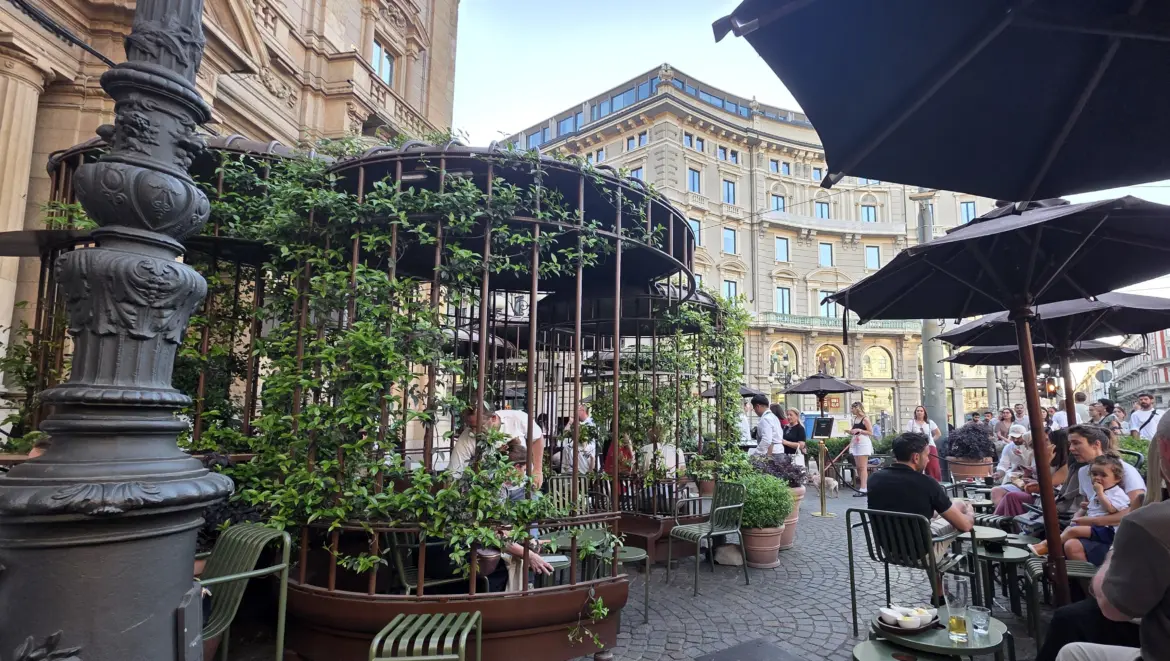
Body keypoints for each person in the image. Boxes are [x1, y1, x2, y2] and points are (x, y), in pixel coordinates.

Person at [1050, 414, 1170, 661]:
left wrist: (1115, 540)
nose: (1070, 449)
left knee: (1072, 638)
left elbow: (1116, 610)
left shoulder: (1150, 519)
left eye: (1075, 443)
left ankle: (1085, 593)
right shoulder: (1086, 472)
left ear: (1164, 450)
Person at [1064, 425, 1146, 564]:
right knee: (1069, 544)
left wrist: (1094, 521)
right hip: (1097, 530)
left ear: (1096, 444)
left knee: (1069, 546)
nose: (1071, 448)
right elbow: (1091, 506)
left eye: (1076, 443)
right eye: (1070, 444)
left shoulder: (1124, 470)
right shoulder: (1083, 472)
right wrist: (1076, 519)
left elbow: (1137, 511)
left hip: (1122, 534)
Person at [1030, 454, 1131, 562]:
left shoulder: (1117, 493)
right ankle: (1052, 551)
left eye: (1103, 475)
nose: (1097, 478)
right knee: (1069, 529)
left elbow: (1112, 509)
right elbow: (1100, 507)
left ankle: (1047, 546)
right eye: (1094, 474)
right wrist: (1088, 505)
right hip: (1098, 528)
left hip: (1108, 531)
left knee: (1072, 531)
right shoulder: (1103, 491)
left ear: (1117, 479)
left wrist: (1100, 493)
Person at [868, 432, 975, 531]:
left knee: (957, 503)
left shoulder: (874, 478)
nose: (928, 460)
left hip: (887, 545)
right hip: (922, 548)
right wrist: (970, 513)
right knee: (960, 510)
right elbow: (965, 525)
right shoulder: (927, 483)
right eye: (927, 455)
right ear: (916, 457)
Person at [464, 404, 546, 491]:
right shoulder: (468, 436)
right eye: (471, 427)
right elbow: (455, 468)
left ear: (493, 418)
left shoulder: (517, 418)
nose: (474, 431)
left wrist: (537, 470)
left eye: (479, 426)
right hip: (493, 489)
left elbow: (537, 438)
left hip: (524, 485)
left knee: (530, 501)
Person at [994, 428, 1070, 517]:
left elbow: (1047, 483)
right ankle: (998, 520)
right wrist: (1028, 475)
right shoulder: (1044, 455)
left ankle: (1002, 523)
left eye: (1047, 440)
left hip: (1050, 497)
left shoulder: (1066, 464)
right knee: (999, 492)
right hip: (1038, 491)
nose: (1044, 443)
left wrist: (1046, 461)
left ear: (1057, 444)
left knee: (1012, 496)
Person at [991, 425, 1033, 507]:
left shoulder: (1032, 447)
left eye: (1018, 437)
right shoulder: (1009, 447)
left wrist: (1022, 456)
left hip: (1029, 479)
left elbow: (1032, 467)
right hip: (1014, 477)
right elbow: (1003, 464)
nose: (1015, 440)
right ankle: (1001, 515)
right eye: (1013, 437)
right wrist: (999, 473)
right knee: (995, 491)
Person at [905, 405, 941, 481]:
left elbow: (938, 433)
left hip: (930, 446)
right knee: (918, 465)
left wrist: (931, 440)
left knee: (933, 466)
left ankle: (935, 482)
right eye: (917, 411)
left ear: (924, 413)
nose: (919, 412)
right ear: (915, 412)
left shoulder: (930, 422)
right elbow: (907, 435)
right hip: (917, 447)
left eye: (921, 411)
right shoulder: (911, 423)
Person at [849, 401, 874, 497]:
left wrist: (860, 430)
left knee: (863, 466)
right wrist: (851, 431)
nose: (851, 410)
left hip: (863, 443)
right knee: (858, 466)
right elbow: (854, 430)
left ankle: (864, 488)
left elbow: (870, 432)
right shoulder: (855, 419)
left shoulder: (865, 419)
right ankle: (862, 486)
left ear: (857, 408)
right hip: (856, 442)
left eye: (852, 408)